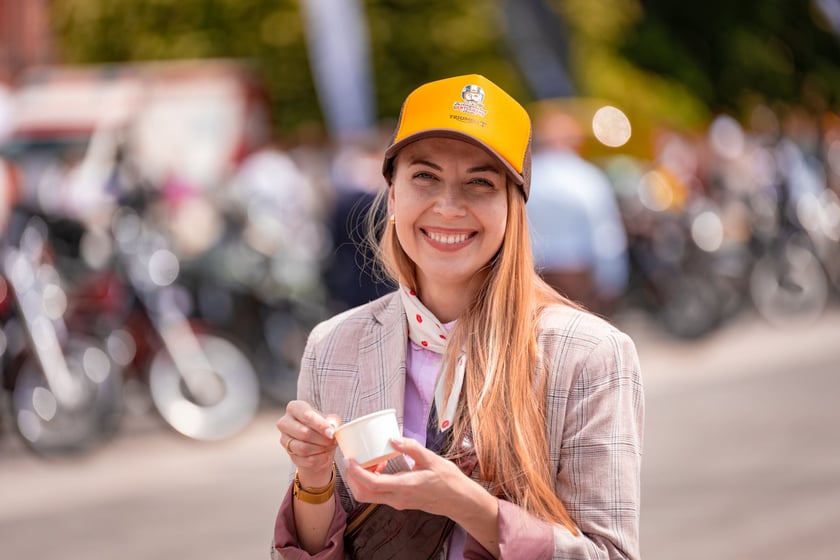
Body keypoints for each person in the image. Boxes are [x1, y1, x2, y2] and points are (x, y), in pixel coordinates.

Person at [272, 74, 644, 559]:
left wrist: (469, 506)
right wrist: (314, 478)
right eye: (424, 177)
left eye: (480, 183)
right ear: (391, 195)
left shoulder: (591, 355)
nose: (448, 206)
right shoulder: (333, 346)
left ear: (513, 208)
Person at [527, 106, 629, 317]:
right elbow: (605, 234)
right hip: (578, 279)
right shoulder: (588, 177)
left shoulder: (527, 177)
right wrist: (611, 280)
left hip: (533, 277)